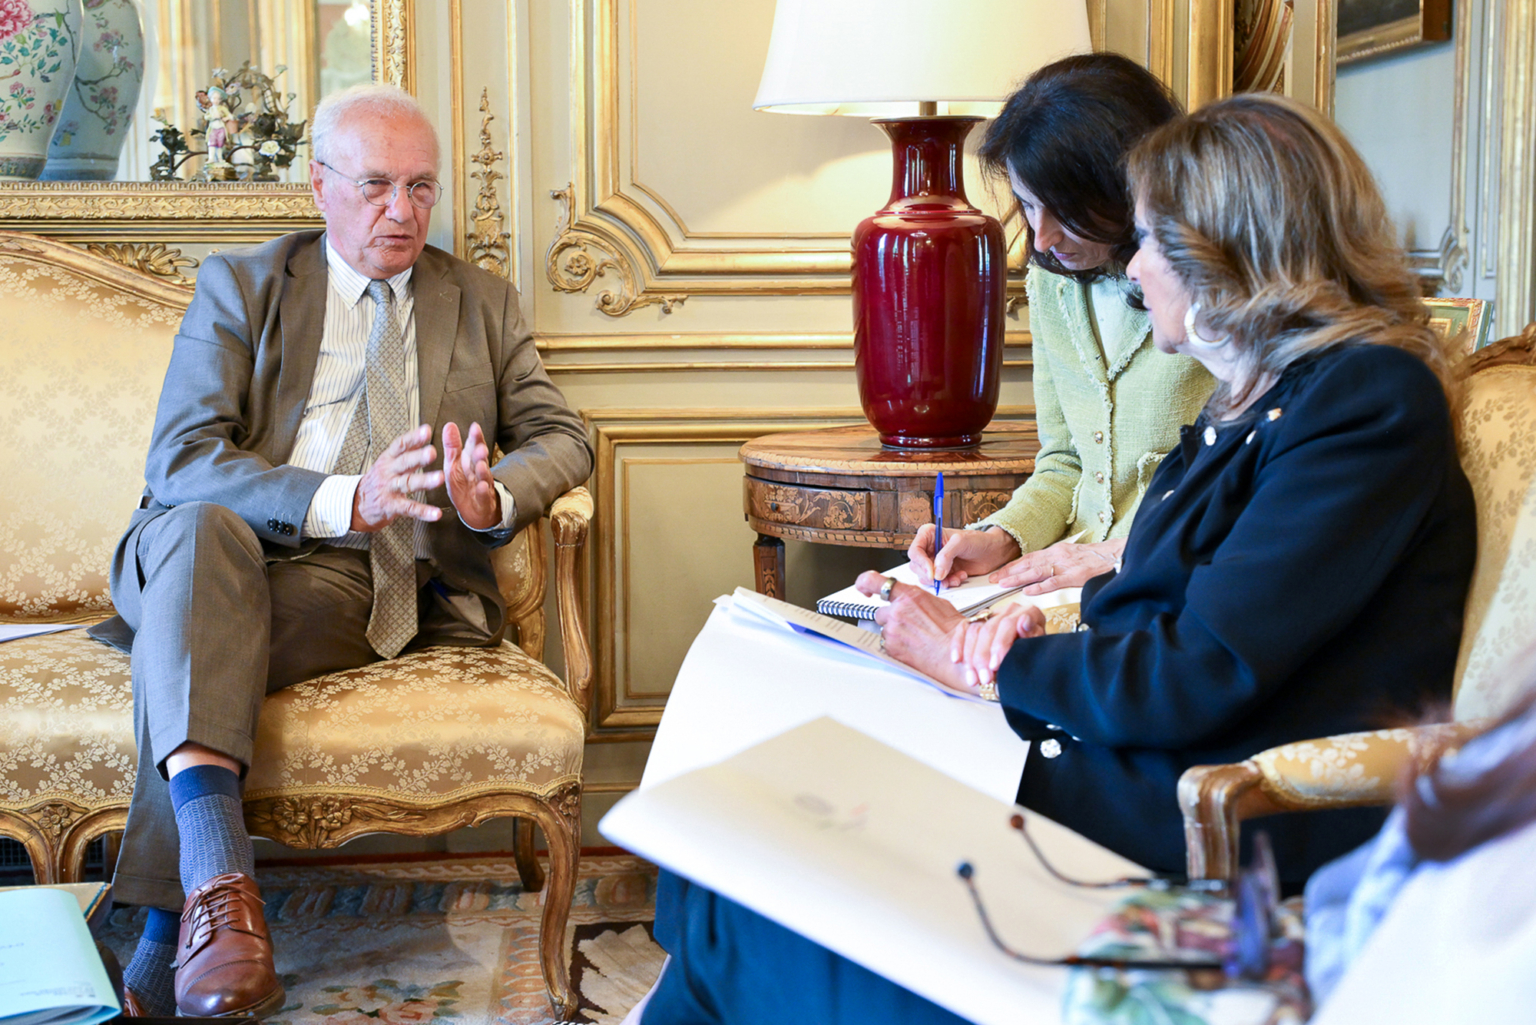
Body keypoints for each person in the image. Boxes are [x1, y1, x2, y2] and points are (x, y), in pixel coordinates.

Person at [634, 93, 1475, 1024]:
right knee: (732, 849)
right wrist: (1028, 626)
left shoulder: (1365, 401)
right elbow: (1196, 592)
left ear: (1224, 254)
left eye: (1152, 239)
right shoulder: (1264, 391)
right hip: (1126, 758)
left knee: (731, 907)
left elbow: (1206, 666)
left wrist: (979, 657)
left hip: (1201, 824)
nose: (1134, 268)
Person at [86, 84, 593, 1018]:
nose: (401, 212)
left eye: (421, 188)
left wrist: (494, 496)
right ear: (319, 184)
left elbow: (564, 435)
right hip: (217, 548)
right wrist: (340, 497)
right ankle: (210, 901)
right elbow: (183, 461)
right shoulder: (241, 285)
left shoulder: (480, 300)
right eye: (374, 186)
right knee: (201, 536)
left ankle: (177, 916)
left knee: (194, 651)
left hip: (356, 586)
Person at [909, 54, 1213, 597]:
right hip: (1067, 571)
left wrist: (1118, 554)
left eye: (1066, 209)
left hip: (1173, 579)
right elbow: (1066, 461)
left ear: (1130, 185)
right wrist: (1003, 536)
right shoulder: (1052, 282)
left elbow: (1243, 487)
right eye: (1027, 205)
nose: (1043, 237)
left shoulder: (1213, 283)